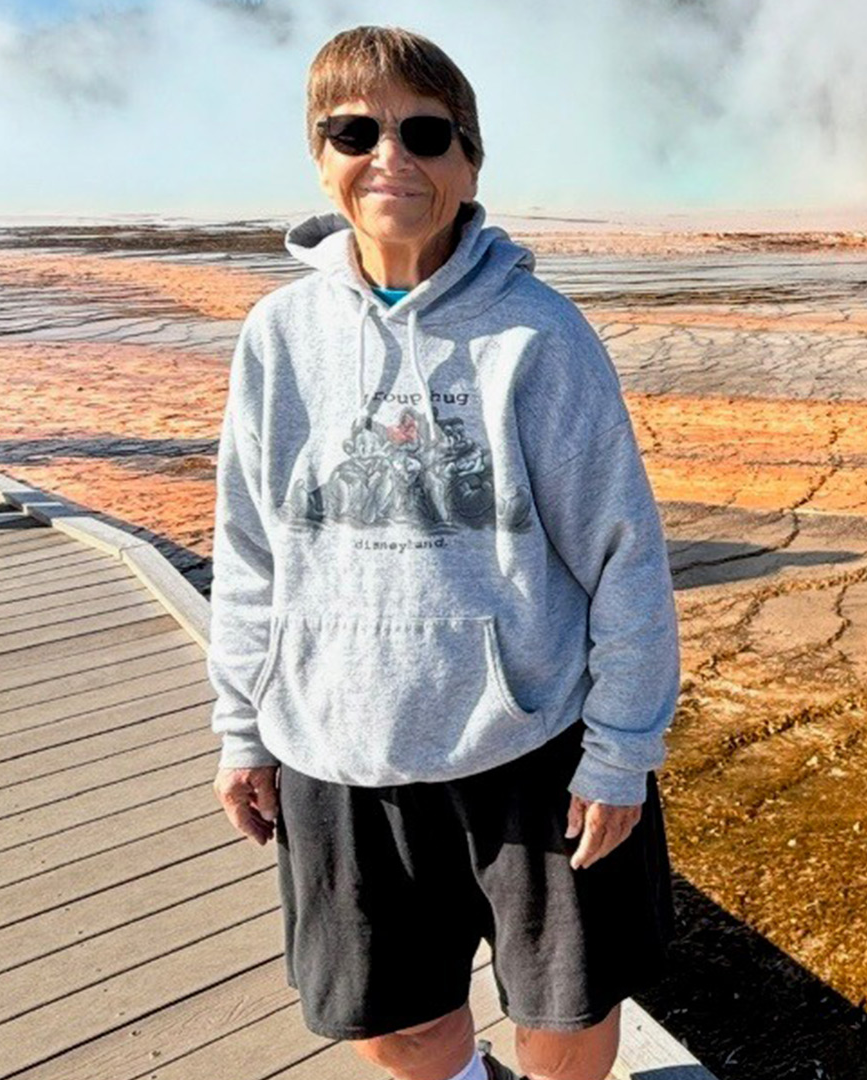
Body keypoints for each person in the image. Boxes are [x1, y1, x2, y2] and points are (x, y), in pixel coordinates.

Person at [206, 26, 681, 1080]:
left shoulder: (539, 335)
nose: (391, 155)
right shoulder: (278, 336)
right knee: (396, 1022)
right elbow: (247, 550)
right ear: (319, 156)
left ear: (469, 164)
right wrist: (243, 726)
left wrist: (622, 752)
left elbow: (624, 556)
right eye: (354, 130)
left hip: (532, 746)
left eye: (425, 132)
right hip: (336, 748)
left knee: (565, 1007)